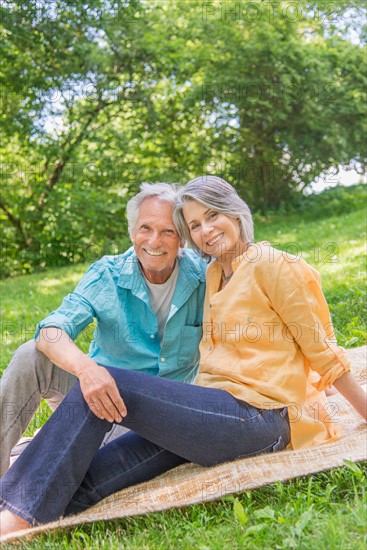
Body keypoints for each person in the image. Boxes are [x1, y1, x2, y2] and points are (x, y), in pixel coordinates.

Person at [0, 176, 365, 538]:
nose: (205, 230)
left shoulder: (271, 264)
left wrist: (335, 396)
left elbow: (321, 348)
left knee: (100, 384)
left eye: (212, 216)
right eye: (195, 224)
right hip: (201, 412)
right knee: (84, 479)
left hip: (257, 415)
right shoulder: (214, 274)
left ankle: (13, 521)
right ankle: (20, 508)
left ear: (235, 213)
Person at [0, 182, 206, 477]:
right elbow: (52, 330)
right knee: (30, 355)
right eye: (145, 228)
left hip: (161, 422)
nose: (154, 241)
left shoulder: (203, 277)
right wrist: (86, 370)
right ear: (133, 232)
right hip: (98, 401)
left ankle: (77, 447)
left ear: (182, 239)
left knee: (94, 462)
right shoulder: (106, 274)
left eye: (168, 231)